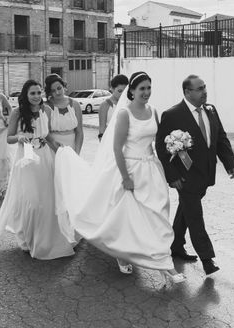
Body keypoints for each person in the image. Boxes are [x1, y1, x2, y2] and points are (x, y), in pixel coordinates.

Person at [54, 72, 186, 285]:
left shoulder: (154, 112)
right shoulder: (125, 114)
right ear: (131, 91)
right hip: (131, 169)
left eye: (149, 88)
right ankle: (128, 255)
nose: (146, 92)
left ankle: (162, 261)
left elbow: (159, 142)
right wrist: (125, 177)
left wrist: (176, 145)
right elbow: (117, 148)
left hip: (151, 170)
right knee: (128, 219)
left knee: (158, 216)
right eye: (141, 88)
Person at [155, 74, 234, 276]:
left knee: (186, 210)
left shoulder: (211, 110)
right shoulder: (173, 114)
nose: (204, 92)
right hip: (185, 177)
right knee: (195, 216)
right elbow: (161, 148)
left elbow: (220, 137)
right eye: (199, 89)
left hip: (206, 174)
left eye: (205, 87)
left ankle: (174, 245)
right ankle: (207, 259)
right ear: (187, 92)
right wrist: (172, 176)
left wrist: (229, 162)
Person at [0, 80, 75, 260]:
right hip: (26, 160)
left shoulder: (47, 110)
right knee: (32, 202)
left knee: (47, 201)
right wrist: (19, 137)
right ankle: (27, 238)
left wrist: (58, 148)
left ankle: (43, 238)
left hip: (45, 158)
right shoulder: (17, 112)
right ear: (26, 95)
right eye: (32, 93)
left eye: (38, 93)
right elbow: (9, 138)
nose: (36, 97)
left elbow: (48, 134)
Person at [44, 74, 83, 154]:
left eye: (59, 88)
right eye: (53, 91)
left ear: (64, 86)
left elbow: (79, 131)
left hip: (72, 148)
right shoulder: (46, 107)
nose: (57, 92)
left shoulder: (75, 105)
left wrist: (77, 152)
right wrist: (57, 150)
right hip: (53, 148)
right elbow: (45, 133)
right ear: (49, 92)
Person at [98, 74, 129, 141]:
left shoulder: (129, 104)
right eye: (120, 91)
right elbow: (102, 128)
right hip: (110, 140)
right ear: (112, 89)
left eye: (125, 92)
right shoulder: (105, 105)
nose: (122, 94)